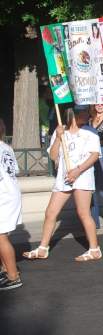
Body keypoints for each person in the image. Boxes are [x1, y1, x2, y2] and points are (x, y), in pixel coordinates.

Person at [23, 106, 102, 261]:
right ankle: (43, 248)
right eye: (84, 112)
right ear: (72, 114)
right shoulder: (61, 131)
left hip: (82, 176)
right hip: (64, 178)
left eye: (87, 111)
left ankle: (94, 249)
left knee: (83, 212)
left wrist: (78, 170)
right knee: (51, 212)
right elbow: (53, 157)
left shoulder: (90, 131)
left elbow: (95, 155)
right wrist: (58, 137)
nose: (87, 114)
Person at [0, 118, 22, 290]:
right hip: (11, 192)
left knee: (1, 238)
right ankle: (6, 269)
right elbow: (15, 170)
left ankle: (13, 277)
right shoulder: (6, 147)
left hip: (4, 195)